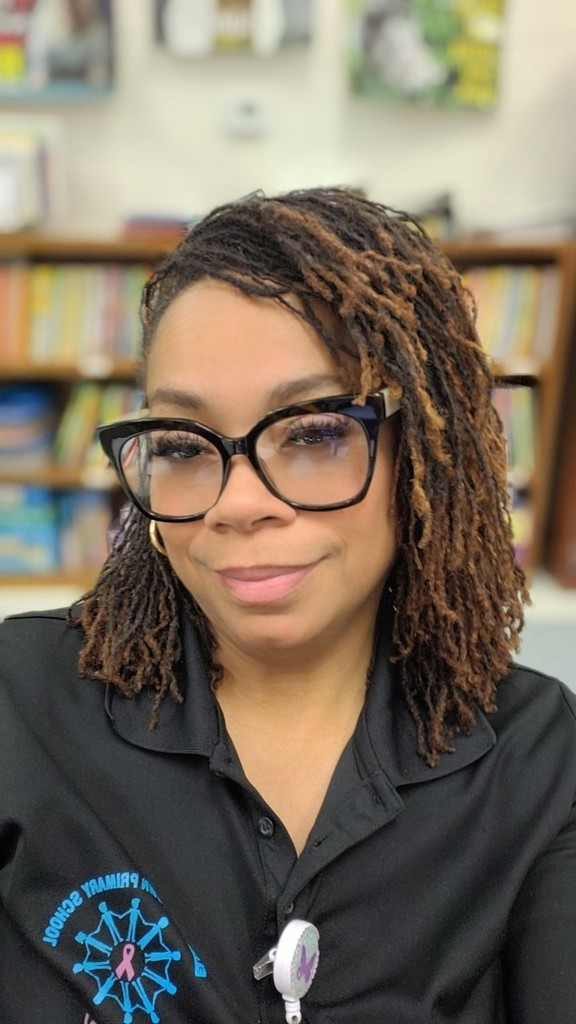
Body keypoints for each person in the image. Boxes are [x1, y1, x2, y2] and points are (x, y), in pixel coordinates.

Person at [1, 187, 575, 1024]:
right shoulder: (20, 703)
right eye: (183, 444)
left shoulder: (537, 760)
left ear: (420, 457)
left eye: (313, 434)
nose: (237, 504)